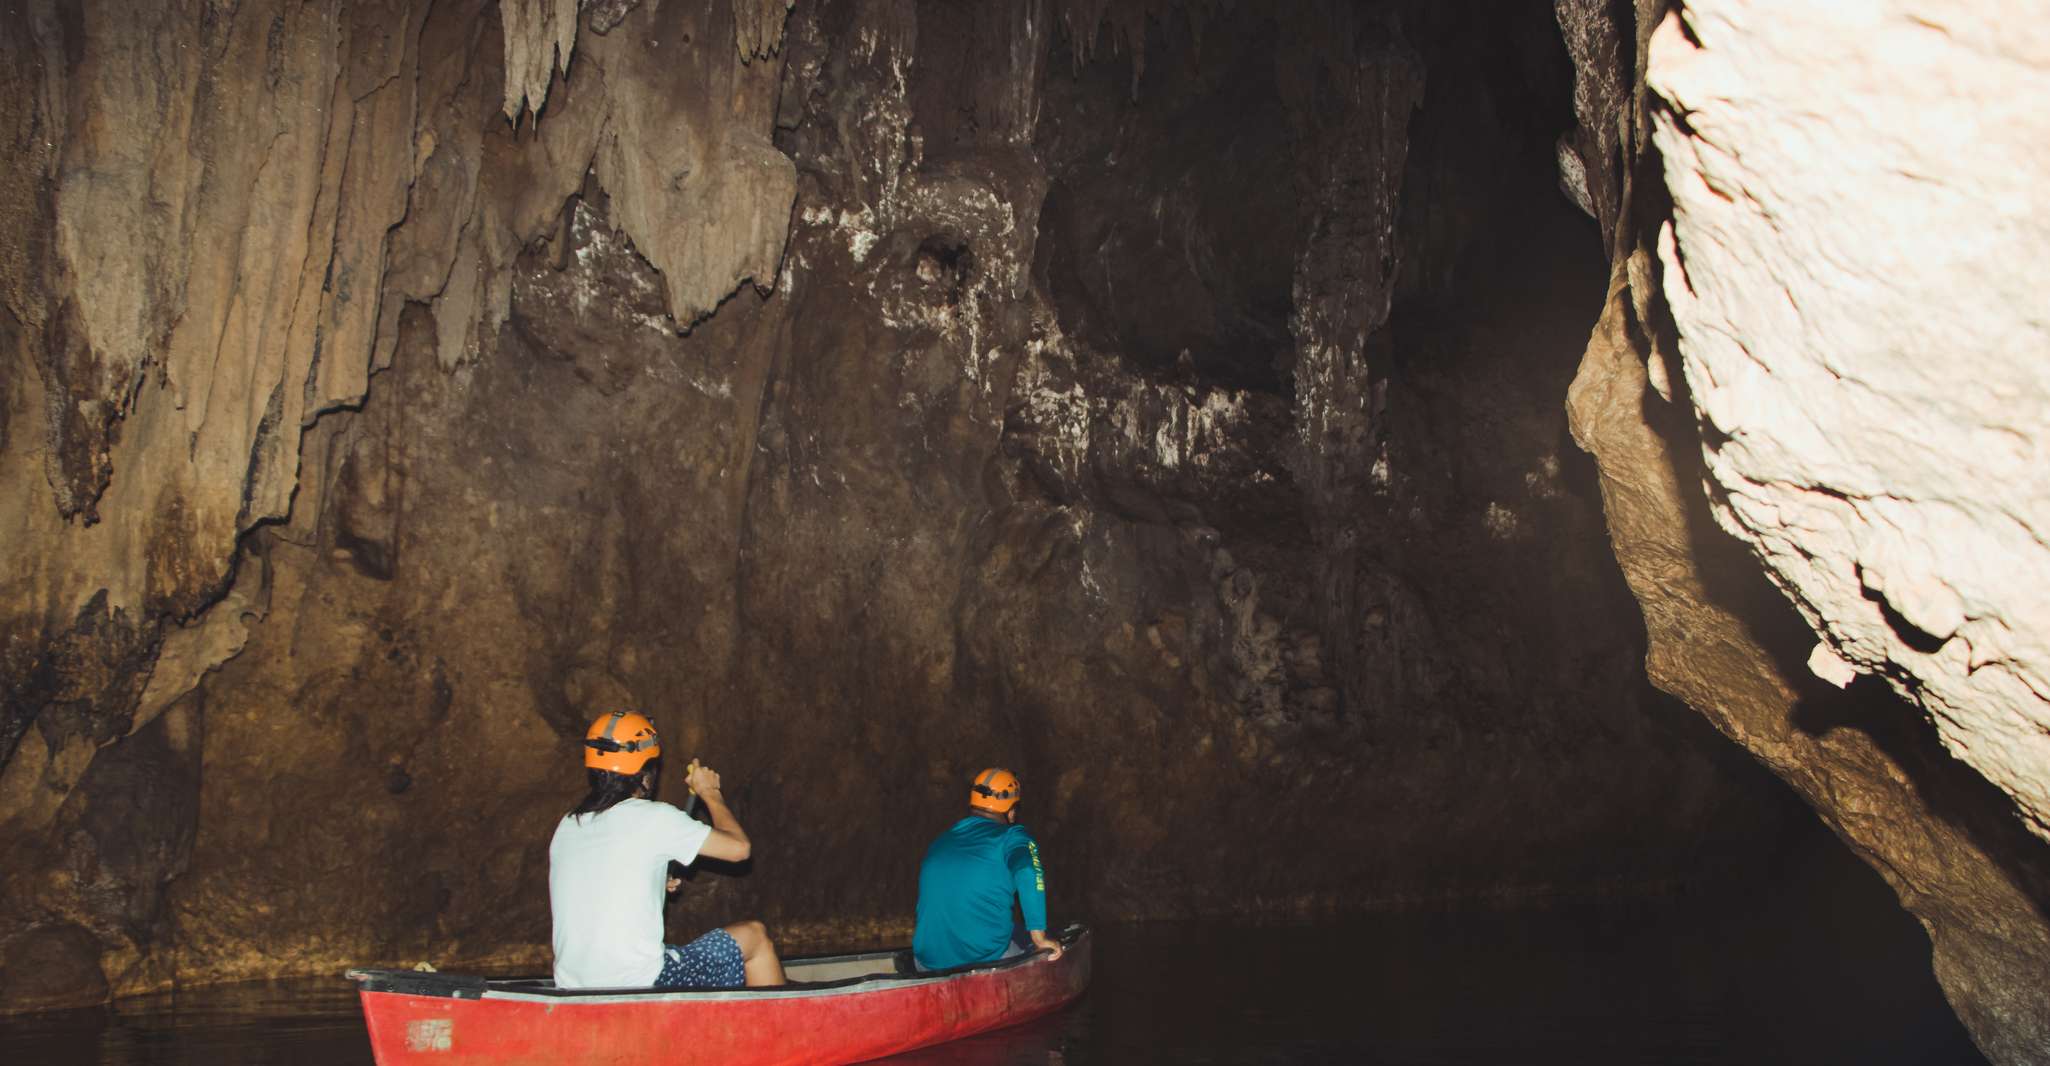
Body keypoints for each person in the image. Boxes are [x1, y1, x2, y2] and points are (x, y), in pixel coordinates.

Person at [548, 710, 785, 989]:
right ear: (646, 773)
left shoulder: (567, 826)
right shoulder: (653, 818)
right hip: (645, 983)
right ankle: (782, 1030)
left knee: (667, 950)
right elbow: (739, 848)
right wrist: (710, 793)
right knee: (755, 936)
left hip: (572, 988)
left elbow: (601, 884)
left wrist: (654, 883)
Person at [912, 767, 1064, 971]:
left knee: (1013, 930)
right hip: (983, 959)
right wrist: (1039, 936)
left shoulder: (942, 841)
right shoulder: (1012, 836)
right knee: (1042, 939)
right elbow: (1027, 870)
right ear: (1011, 812)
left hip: (925, 963)